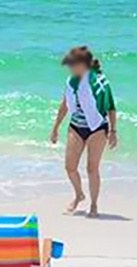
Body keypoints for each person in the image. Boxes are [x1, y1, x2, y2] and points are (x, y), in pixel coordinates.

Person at [50, 45, 119, 218]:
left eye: (72, 64)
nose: (70, 68)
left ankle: (94, 205)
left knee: (91, 169)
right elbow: (65, 105)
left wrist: (113, 131)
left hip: (97, 128)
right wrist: (55, 128)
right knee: (70, 167)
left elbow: (111, 107)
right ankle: (79, 194)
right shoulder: (71, 82)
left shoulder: (99, 82)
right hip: (76, 126)